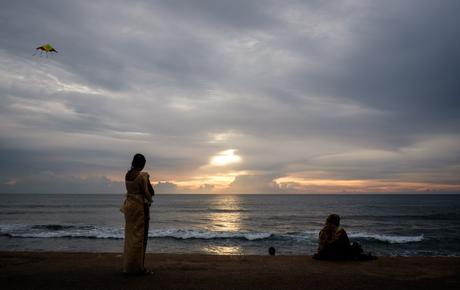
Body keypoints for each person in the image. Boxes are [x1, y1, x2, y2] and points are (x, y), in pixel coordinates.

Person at [122, 153, 155, 275]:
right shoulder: (141, 177)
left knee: (130, 237)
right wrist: (147, 179)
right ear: (141, 165)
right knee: (140, 238)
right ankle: (139, 268)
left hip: (129, 207)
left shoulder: (127, 175)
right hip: (139, 208)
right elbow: (149, 193)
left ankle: (128, 267)